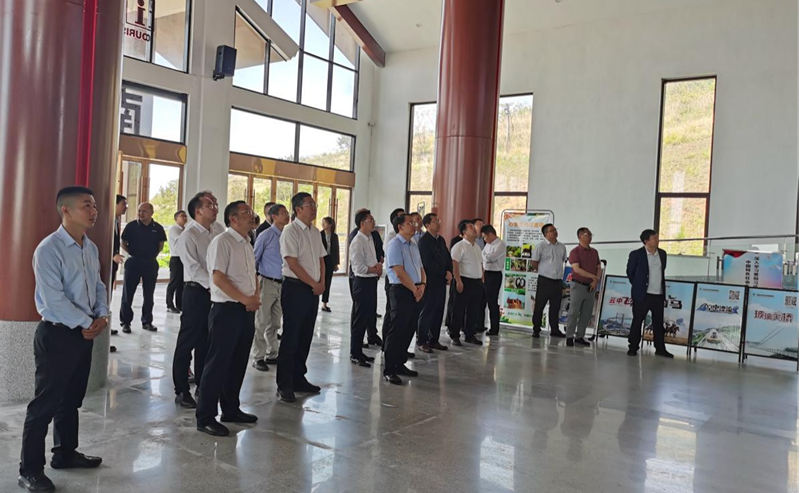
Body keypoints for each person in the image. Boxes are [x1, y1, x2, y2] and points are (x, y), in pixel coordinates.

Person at [18, 186, 108, 492]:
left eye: (94, 206)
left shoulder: (90, 248)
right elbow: (53, 299)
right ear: (65, 210)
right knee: (45, 405)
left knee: (70, 399)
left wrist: (101, 315)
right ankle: (29, 470)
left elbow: (98, 286)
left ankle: (65, 453)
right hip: (57, 334)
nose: (94, 211)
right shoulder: (48, 249)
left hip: (84, 333)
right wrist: (88, 322)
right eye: (86, 206)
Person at [195, 201, 260, 436]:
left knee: (238, 362)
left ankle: (231, 409)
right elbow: (218, 278)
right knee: (217, 364)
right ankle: (205, 417)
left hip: (246, 309)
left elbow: (252, 274)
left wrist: (254, 297)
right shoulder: (222, 241)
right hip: (226, 310)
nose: (251, 216)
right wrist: (245, 299)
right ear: (233, 219)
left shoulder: (246, 242)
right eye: (246, 213)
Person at [171, 192, 222, 409]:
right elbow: (194, 268)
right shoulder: (188, 235)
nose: (215, 207)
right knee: (188, 341)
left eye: (215, 203)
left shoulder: (218, 230)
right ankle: (182, 390)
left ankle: (203, 384)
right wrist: (217, 285)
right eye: (210, 204)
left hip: (216, 292)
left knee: (207, 341)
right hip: (196, 292)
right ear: (198, 210)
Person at [276, 192, 327, 403]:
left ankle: (299, 378)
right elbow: (292, 263)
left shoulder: (315, 232)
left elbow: (321, 259)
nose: (314, 208)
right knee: (291, 336)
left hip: (312, 290)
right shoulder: (290, 231)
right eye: (310, 205)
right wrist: (313, 283)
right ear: (298, 209)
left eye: (314, 204)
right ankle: (284, 384)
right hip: (296, 288)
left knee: (306, 335)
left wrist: (322, 282)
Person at [383, 213, 426, 384]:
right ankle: (389, 369)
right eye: (409, 223)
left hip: (416, 289)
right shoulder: (394, 245)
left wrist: (422, 285)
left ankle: (400, 363)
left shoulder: (413, 243)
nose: (414, 225)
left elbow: (421, 267)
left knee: (409, 328)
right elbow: (399, 272)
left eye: (413, 222)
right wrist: (415, 289)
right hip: (401, 290)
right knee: (397, 330)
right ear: (400, 227)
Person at [251, 203, 290, 372]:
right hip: (266, 282)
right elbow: (254, 258)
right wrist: (254, 284)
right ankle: (258, 357)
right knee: (261, 321)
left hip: (283, 284)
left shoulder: (288, 235)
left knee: (275, 322)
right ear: (273, 216)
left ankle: (272, 353)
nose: (287, 215)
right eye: (283, 213)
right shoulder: (265, 235)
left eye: (287, 212)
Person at [119, 202, 166, 333]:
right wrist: (132, 253)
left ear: (151, 213)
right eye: (139, 211)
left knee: (149, 294)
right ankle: (125, 322)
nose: (141, 213)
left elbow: (161, 245)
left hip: (150, 263)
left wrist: (152, 255)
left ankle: (147, 321)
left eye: (144, 211)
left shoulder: (158, 228)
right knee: (128, 293)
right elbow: (123, 242)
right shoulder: (131, 226)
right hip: (134, 262)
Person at [626, 229, 672, 358]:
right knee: (637, 321)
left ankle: (660, 348)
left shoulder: (662, 254)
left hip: (658, 294)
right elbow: (630, 272)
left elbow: (662, 270)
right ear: (646, 241)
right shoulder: (636, 254)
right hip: (642, 295)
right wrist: (638, 286)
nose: (657, 240)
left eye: (657, 238)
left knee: (658, 322)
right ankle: (633, 347)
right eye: (654, 238)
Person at [349, 209, 382, 367]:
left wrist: (377, 267)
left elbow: (372, 260)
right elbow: (358, 268)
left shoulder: (369, 238)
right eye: (370, 220)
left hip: (371, 281)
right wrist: (374, 269)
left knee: (368, 316)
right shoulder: (357, 241)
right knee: (359, 319)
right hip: (362, 282)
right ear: (362, 223)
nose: (373, 222)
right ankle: (355, 353)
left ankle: (359, 352)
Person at [417, 213, 451, 352]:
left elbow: (447, 257)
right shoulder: (424, 241)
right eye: (435, 221)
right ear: (427, 225)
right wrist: (443, 273)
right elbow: (427, 263)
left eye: (438, 220)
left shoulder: (440, 240)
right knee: (427, 310)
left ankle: (434, 340)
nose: (438, 223)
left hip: (441, 281)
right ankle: (422, 340)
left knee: (438, 310)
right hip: (430, 281)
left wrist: (449, 271)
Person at [449, 219, 484, 346]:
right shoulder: (459, 246)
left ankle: (470, 335)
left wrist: (482, 277)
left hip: (476, 282)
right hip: (464, 280)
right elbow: (455, 264)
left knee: (473, 310)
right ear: (464, 232)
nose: (474, 229)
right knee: (458, 310)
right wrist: (458, 281)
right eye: (470, 227)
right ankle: (455, 335)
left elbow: (480, 264)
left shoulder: (477, 247)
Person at [565, 227, 602, 347]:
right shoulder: (575, 251)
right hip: (578, 285)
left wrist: (595, 280)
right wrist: (593, 277)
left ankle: (580, 336)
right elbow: (577, 269)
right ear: (580, 236)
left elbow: (598, 268)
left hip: (591, 286)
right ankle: (569, 336)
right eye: (587, 235)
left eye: (591, 235)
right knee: (574, 312)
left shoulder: (594, 252)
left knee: (586, 313)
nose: (590, 237)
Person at [530, 223, 568, 338]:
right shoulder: (540, 246)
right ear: (546, 234)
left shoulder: (562, 247)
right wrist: (543, 271)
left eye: (555, 230)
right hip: (544, 281)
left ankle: (554, 330)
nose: (555, 232)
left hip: (557, 281)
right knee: (539, 306)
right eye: (552, 230)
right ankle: (536, 329)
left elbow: (563, 260)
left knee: (555, 307)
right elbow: (534, 262)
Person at [380, 208, 407, 344]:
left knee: (403, 315)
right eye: (402, 217)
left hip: (406, 280)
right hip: (394, 279)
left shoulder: (409, 239)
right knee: (392, 311)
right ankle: (387, 344)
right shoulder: (392, 237)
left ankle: (399, 346)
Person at [481, 224, 506, 336]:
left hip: (495, 275)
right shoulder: (488, 245)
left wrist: (486, 256)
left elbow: (491, 258)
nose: (484, 239)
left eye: (485, 237)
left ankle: (494, 328)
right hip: (486, 273)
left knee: (492, 302)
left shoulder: (500, 244)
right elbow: (483, 256)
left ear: (490, 234)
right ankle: (479, 325)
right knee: (482, 300)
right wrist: (486, 256)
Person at [109, 194, 127, 338]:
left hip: (113, 265)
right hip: (106, 264)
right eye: (123, 205)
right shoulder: (107, 220)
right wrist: (112, 255)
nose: (125, 208)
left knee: (109, 295)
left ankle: (106, 324)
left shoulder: (116, 220)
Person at [166, 209, 188, 314]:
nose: (185, 218)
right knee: (174, 282)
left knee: (181, 283)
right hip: (176, 258)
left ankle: (180, 305)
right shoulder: (174, 229)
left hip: (183, 258)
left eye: (185, 216)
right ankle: (169, 305)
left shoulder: (185, 229)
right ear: (176, 219)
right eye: (182, 216)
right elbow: (182, 239)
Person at [320, 217, 339, 312]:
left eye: (325, 223)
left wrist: (336, 263)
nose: (323, 225)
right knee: (319, 280)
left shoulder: (334, 236)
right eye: (322, 223)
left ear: (330, 225)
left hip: (330, 261)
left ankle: (324, 304)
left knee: (328, 282)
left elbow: (336, 250)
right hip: (321, 260)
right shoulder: (319, 234)